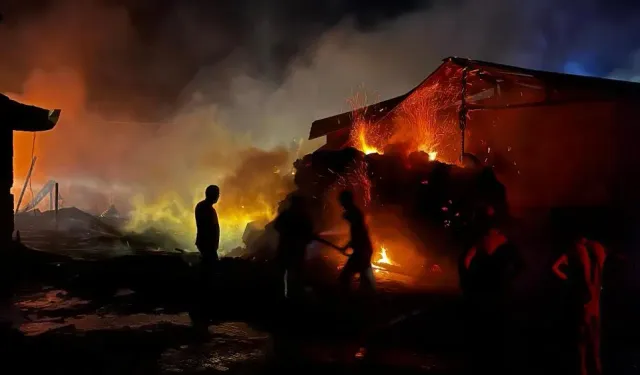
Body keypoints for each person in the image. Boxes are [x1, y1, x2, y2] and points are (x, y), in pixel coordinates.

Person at [459, 205, 523, 374]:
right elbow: (520, 265)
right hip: (501, 291)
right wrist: (511, 276)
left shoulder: (481, 241)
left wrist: (469, 281)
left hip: (484, 292)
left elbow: (466, 261)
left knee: (484, 333)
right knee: (500, 331)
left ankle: (485, 362)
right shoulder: (505, 241)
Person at [552, 236, 606, 375]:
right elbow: (555, 267)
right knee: (588, 331)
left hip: (589, 295)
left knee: (587, 331)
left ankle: (587, 365)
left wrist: (567, 278)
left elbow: (555, 267)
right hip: (588, 295)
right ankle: (591, 365)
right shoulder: (587, 249)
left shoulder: (585, 249)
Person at [274, 195, 314, 300]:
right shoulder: (304, 217)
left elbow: (277, 226)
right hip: (295, 250)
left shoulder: (287, 215)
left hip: (287, 249)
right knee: (295, 273)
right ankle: (293, 296)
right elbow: (309, 236)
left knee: (285, 273)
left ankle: (285, 296)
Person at [337, 190, 376, 294]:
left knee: (344, 277)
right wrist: (347, 246)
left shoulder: (355, 214)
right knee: (366, 281)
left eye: (342, 201)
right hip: (364, 250)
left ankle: (349, 302)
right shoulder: (355, 213)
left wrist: (347, 246)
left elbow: (358, 236)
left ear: (346, 201)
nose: (341, 204)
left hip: (362, 251)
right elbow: (358, 235)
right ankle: (367, 301)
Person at [195, 185, 221, 268]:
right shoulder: (207, 209)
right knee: (210, 267)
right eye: (217, 194)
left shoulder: (201, 206)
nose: (218, 196)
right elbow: (210, 228)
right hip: (207, 245)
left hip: (205, 243)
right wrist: (213, 245)